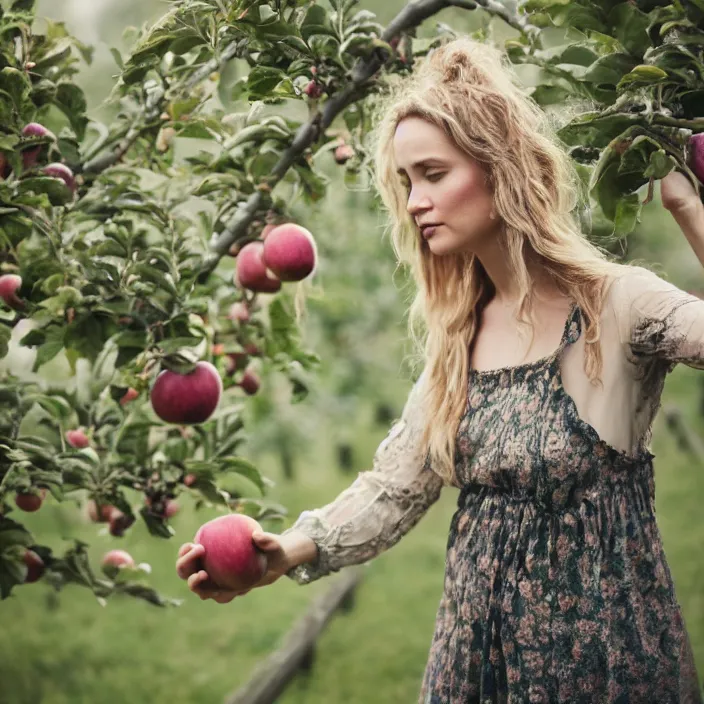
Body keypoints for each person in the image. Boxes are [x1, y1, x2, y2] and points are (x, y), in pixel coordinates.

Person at [176, 36, 704, 703]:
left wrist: (689, 210)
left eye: (433, 173)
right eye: (406, 183)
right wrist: (285, 551)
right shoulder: (460, 336)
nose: (416, 201)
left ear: (498, 168)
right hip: (474, 663)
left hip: (601, 660)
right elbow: (394, 489)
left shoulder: (617, 305)